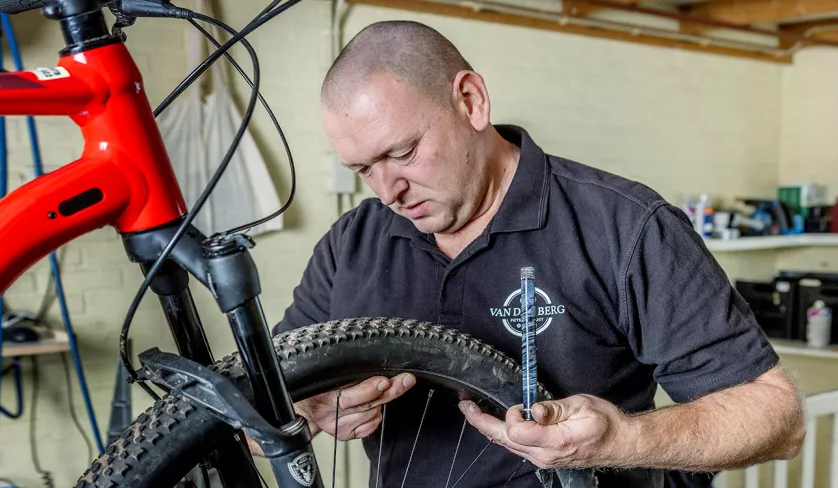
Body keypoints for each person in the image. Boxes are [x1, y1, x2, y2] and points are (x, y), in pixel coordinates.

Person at [271, 20, 805, 487]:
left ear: (471, 101)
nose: (388, 191)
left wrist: (623, 439)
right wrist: (304, 411)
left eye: (402, 152)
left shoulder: (624, 226)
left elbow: (778, 418)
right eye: (364, 169)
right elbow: (250, 413)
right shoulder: (352, 243)